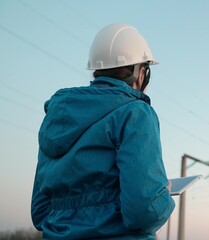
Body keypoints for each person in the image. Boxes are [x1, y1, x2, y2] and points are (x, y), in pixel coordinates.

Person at [31, 23, 175, 239]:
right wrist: (162, 194)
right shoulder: (135, 113)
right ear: (141, 74)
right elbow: (144, 211)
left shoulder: (56, 117)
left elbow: (40, 212)